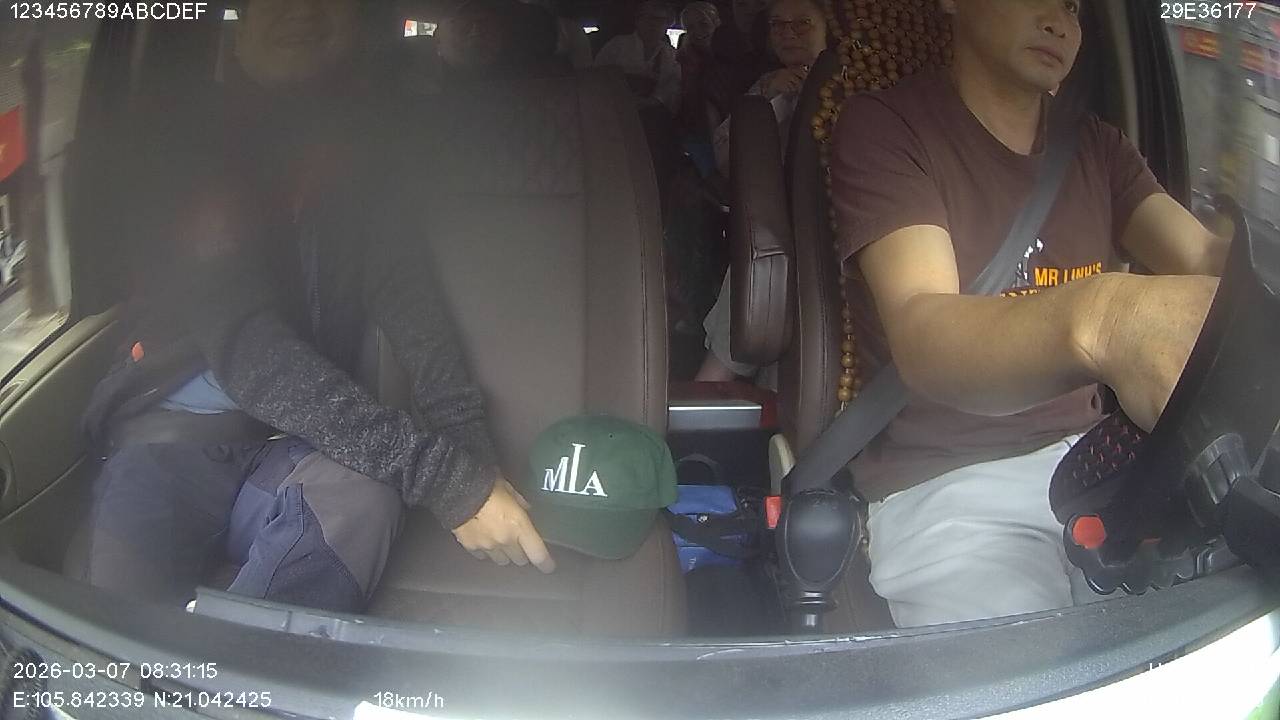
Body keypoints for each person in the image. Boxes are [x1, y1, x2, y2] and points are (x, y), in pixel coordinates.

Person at [83, 0, 554, 614]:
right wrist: (447, 480)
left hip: (298, 443)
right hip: (169, 440)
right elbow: (251, 353)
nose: (300, 9)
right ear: (240, 28)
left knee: (365, 498)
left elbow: (417, 319)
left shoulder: (364, 161)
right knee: (110, 645)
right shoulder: (183, 147)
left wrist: (478, 469)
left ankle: (230, 668)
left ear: (359, 24)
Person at [829, 0, 1226, 627]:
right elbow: (924, 327)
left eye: (1072, 6)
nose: (1059, 21)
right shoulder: (885, 127)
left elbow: (1203, 255)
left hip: (1098, 467)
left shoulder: (1097, 147)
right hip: (950, 483)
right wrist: (1104, 317)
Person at [694, 0, 828, 384]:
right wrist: (769, 97)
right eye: (777, 25)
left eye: (801, 24)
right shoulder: (767, 84)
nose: (787, 33)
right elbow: (725, 155)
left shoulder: (857, 83)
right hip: (774, 220)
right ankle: (713, 382)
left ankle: (713, 379)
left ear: (828, 29)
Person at [593, 0, 683, 115]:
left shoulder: (671, 55)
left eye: (658, 19)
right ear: (637, 21)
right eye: (646, 17)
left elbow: (672, 88)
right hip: (613, 110)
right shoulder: (617, 45)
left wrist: (650, 102)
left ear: (667, 24)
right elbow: (596, 78)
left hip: (651, 114)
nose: (652, 23)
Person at [676, 0, 721, 153]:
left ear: (716, 22)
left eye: (703, 24)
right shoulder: (683, 61)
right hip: (697, 138)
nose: (697, 31)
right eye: (690, 28)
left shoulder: (734, 57)